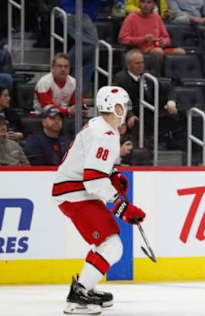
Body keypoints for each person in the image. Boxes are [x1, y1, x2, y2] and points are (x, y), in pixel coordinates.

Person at [52, 86, 146, 314]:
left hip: (75, 191)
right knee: (111, 245)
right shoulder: (103, 133)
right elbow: (93, 181)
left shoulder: (102, 127)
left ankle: (86, 288)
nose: (127, 110)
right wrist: (122, 206)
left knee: (108, 243)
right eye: (124, 105)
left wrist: (112, 174)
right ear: (116, 107)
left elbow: (92, 164)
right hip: (74, 194)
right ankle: (79, 295)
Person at [114, 49, 186, 150]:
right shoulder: (120, 78)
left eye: (142, 63)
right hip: (135, 113)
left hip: (152, 111)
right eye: (137, 63)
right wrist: (129, 115)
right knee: (136, 122)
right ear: (128, 65)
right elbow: (119, 100)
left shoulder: (147, 76)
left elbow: (168, 88)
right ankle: (147, 149)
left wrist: (170, 102)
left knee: (182, 113)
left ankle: (179, 146)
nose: (141, 66)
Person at [118, 0, 185, 64]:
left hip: (156, 48)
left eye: (149, 2)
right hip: (138, 50)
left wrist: (163, 42)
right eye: (143, 2)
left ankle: (172, 74)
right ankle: (158, 75)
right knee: (158, 51)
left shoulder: (156, 17)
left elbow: (167, 38)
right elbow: (122, 39)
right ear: (139, 4)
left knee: (181, 51)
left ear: (154, 5)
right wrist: (143, 39)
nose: (145, 5)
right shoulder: (131, 17)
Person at [60, 0, 100, 94]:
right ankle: (60, 68)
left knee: (93, 54)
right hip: (74, 12)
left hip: (85, 14)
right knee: (92, 43)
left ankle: (79, 90)